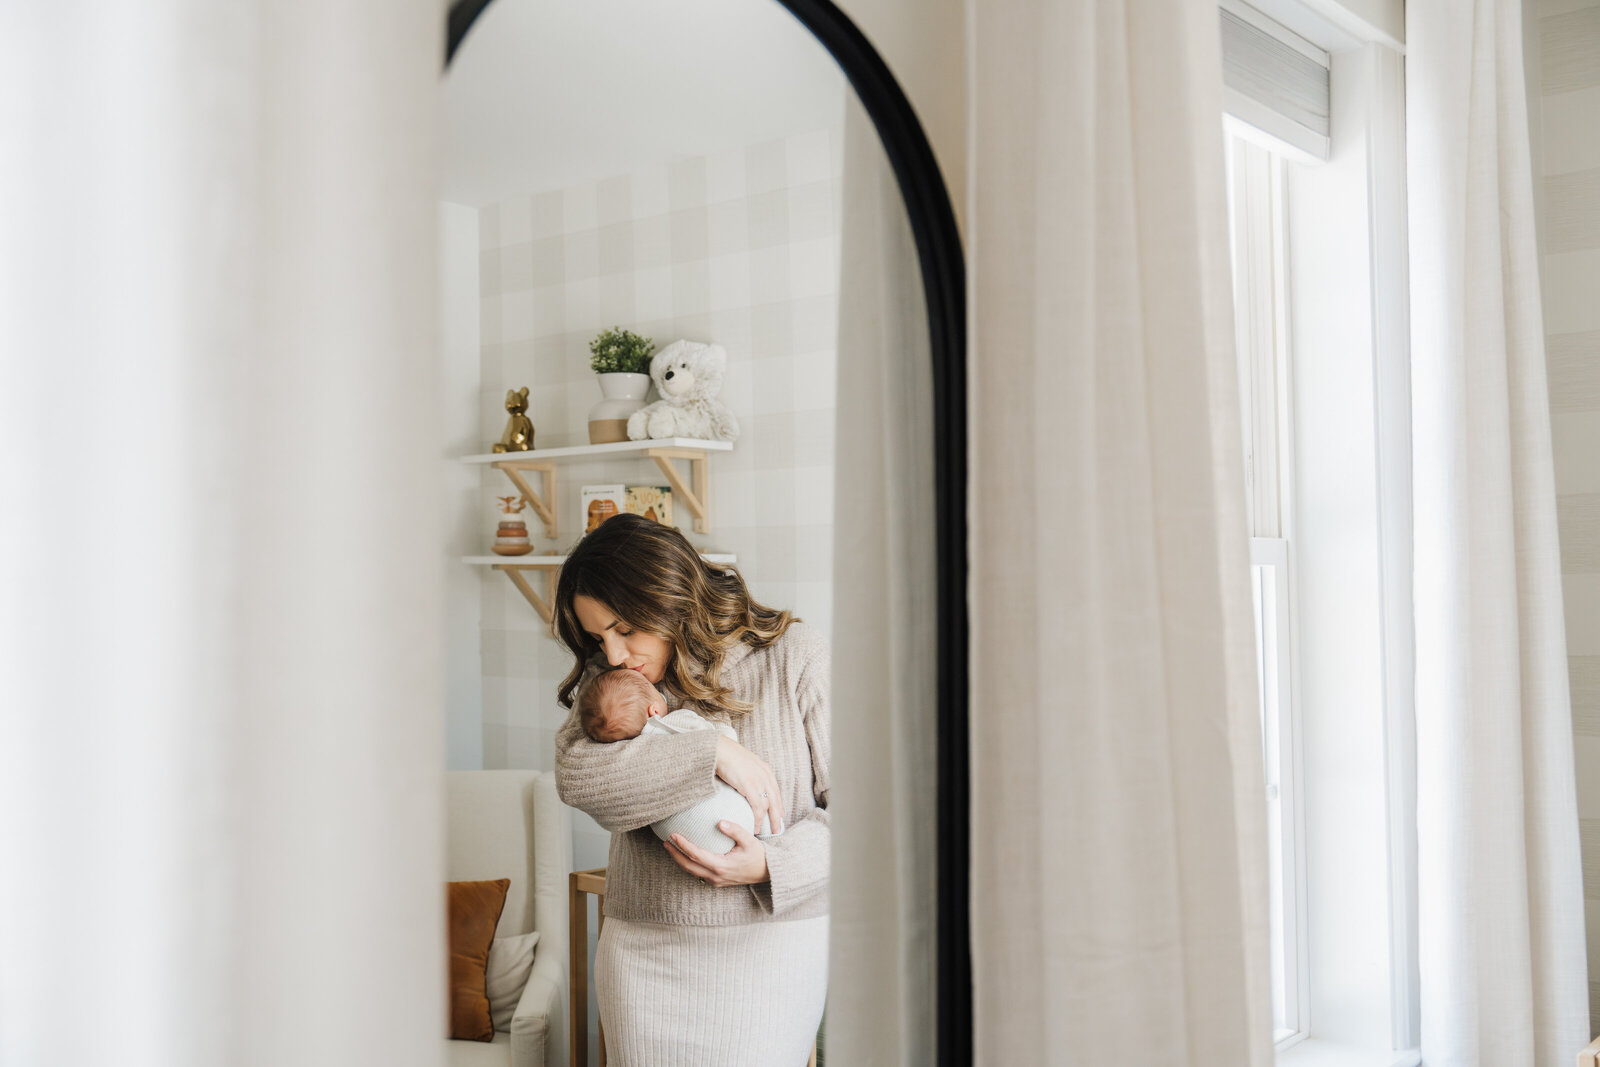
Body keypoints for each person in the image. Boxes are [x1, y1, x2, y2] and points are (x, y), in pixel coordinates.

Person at [552, 513, 829, 1067]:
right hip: (645, 953)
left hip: (771, 951)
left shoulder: (794, 655)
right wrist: (713, 753)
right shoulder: (618, 682)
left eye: (625, 628)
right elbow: (579, 776)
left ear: (670, 598)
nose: (611, 654)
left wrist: (770, 867)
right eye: (596, 636)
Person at [575, 665, 780, 853]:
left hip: (686, 841)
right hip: (733, 821)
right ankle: (771, 836)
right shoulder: (678, 719)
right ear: (654, 710)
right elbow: (728, 748)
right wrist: (724, 740)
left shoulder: (629, 754)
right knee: (754, 792)